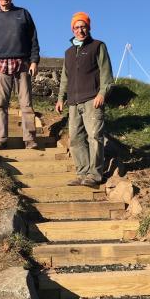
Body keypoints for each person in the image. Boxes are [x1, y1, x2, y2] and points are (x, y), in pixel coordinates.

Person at [55, 12, 113, 188]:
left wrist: (102, 93)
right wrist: (60, 98)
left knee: (95, 136)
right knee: (75, 138)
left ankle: (95, 175)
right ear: (72, 30)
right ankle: (82, 173)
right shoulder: (69, 52)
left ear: (89, 27)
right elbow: (65, 77)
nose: (80, 30)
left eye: (83, 26)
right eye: (77, 27)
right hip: (73, 102)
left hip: (92, 99)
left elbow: (106, 73)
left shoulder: (98, 46)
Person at [0, 0, 40, 150]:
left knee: (26, 104)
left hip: (22, 64)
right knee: (0, 104)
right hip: (0, 65)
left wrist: (34, 61)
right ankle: (1, 139)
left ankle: (30, 140)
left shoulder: (23, 13)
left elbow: (33, 40)